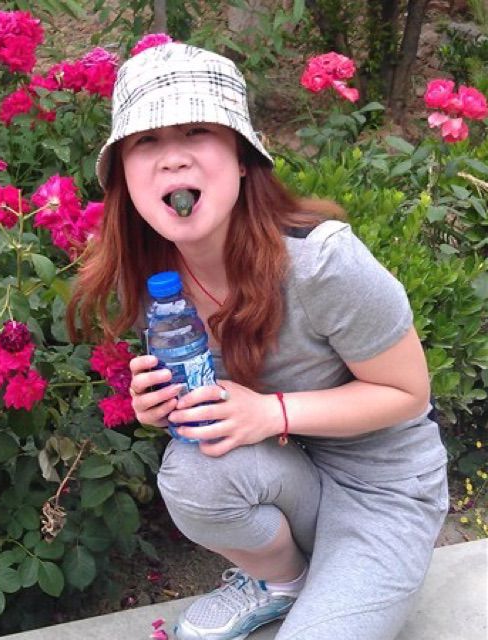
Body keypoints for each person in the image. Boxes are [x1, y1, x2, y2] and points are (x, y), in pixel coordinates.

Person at [68, 42, 449, 640]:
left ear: (243, 158)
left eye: (196, 131)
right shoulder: (149, 275)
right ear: (124, 175)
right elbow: (217, 409)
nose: (172, 159)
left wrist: (269, 413)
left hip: (381, 489)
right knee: (193, 474)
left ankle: (354, 576)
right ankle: (283, 580)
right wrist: (160, 406)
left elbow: (409, 393)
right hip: (289, 474)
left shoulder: (321, 262)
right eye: (147, 141)